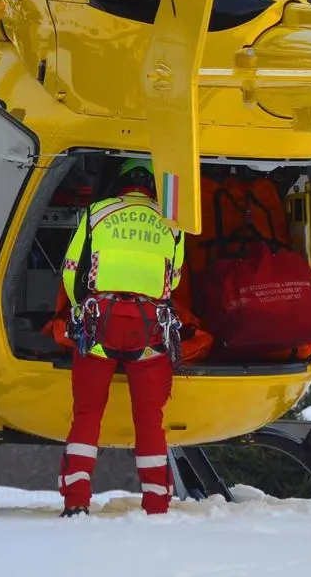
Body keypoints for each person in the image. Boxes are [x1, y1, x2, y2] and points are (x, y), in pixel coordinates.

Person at [56, 158, 184, 517]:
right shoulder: (174, 223)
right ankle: (157, 504)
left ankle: (77, 499)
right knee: (149, 419)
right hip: (149, 329)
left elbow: (71, 269)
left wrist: (82, 309)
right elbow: (173, 279)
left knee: (87, 414)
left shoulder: (97, 212)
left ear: (121, 181)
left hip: (100, 324)